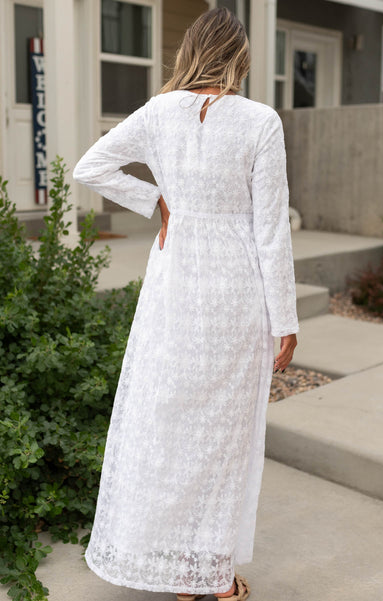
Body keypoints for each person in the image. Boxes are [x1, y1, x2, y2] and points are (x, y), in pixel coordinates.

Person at [72, 6, 299, 601]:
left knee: (167, 423)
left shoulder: (158, 111)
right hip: (236, 290)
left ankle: (174, 569)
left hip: (174, 285)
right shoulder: (260, 120)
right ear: (240, 57)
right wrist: (286, 321)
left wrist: (157, 202)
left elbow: (90, 165)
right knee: (224, 436)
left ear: (187, 52)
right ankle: (211, 578)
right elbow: (272, 229)